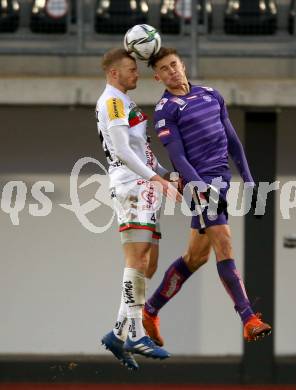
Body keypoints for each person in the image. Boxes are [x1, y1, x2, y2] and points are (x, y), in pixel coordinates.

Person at [142, 47, 272, 347]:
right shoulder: (165, 110)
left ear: (183, 65)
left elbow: (233, 143)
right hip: (202, 187)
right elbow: (178, 158)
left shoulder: (211, 94)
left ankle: (150, 311)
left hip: (221, 181)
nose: (171, 71)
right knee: (224, 243)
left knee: (196, 257)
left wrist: (251, 182)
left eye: (174, 64)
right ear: (157, 76)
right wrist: (202, 188)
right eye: (164, 69)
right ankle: (249, 318)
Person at [95, 48, 181, 370]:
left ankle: (117, 333)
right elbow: (120, 150)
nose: (137, 74)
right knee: (136, 258)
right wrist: (155, 179)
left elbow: (139, 150)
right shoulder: (113, 101)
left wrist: (162, 173)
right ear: (114, 73)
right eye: (131, 69)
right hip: (130, 187)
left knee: (149, 264)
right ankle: (134, 332)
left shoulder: (125, 102)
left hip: (143, 184)